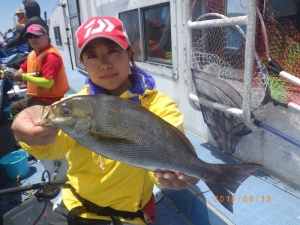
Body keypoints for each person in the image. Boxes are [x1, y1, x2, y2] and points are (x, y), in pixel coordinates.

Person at [12, 16, 199, 225]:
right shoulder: (73, 106)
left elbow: (160, 161)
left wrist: (168, 178)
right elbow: (52, 149)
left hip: (127, 216)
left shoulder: (159, 106)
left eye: (112, 51)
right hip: (73, 205)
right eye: (92, 55)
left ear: (129, 53)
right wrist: (32, 138)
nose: (104, 64)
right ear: (83, 62)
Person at [10, 24, 69, 118]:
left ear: (46, 38)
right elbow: (21, 70)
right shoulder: (33, 55)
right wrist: (10, 73)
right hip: (38, 97)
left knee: (19, 113)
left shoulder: (51, 57)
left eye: (37, 36)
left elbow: (48, 83)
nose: (33, 39)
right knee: (14, 107)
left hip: (50, 101)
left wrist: (23, 77)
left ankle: (27, 129)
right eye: (30, 36)